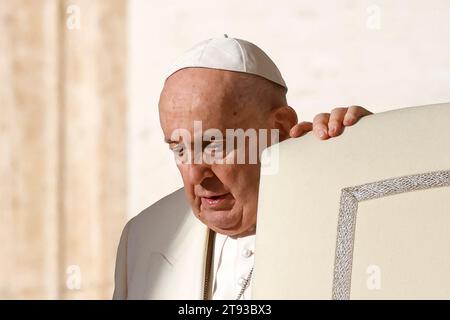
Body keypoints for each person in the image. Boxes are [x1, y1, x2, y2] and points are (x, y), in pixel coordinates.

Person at [113, 36, 372, 299]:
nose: (195, 175)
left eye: (213, 144)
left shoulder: (353, 217)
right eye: (178, 149)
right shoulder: (142, 239)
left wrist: (380, 160)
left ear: (279, 129)